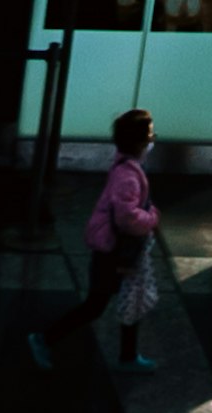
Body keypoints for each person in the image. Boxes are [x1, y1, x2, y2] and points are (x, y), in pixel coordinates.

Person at [31, 109, 163, 379]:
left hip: (116, 250)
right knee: (96, 304)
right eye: (149, 135)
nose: (152, 139)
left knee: (131, 296)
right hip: (113, 252)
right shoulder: (127, 175)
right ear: (139, 142)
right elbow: (127, 217)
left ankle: (128, 356)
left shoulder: (127, 165)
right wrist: (151, 218)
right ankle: (43, 339)